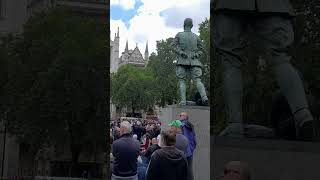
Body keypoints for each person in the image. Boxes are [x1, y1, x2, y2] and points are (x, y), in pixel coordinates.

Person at [212, 0, 316, 140]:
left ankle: (234, 125)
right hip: (274, 4)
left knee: (231, 61)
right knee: (280, 58)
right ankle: (303, 116)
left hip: (230, 4)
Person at [171, 18, 208, 106]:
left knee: (182, 81)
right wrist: (196, 55)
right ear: (191, 26)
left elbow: (172, 46)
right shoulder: (196, 36)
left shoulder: (179, 35)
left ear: (184, 25)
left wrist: (180, 52)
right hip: (194, 61)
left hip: (182, 60)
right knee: (198, 80)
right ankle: (204, 97)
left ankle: (183, 101)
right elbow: (202, 49)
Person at [179, 112, 196, 180]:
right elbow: (194, 140)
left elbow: (184, 138)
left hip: (185, 151)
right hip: (190, 150)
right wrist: (191, 148)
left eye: (181, 115)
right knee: (189, 168)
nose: (179, 116)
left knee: (184, 168)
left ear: (185, 117)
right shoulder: (191, 126)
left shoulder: (183, 125)